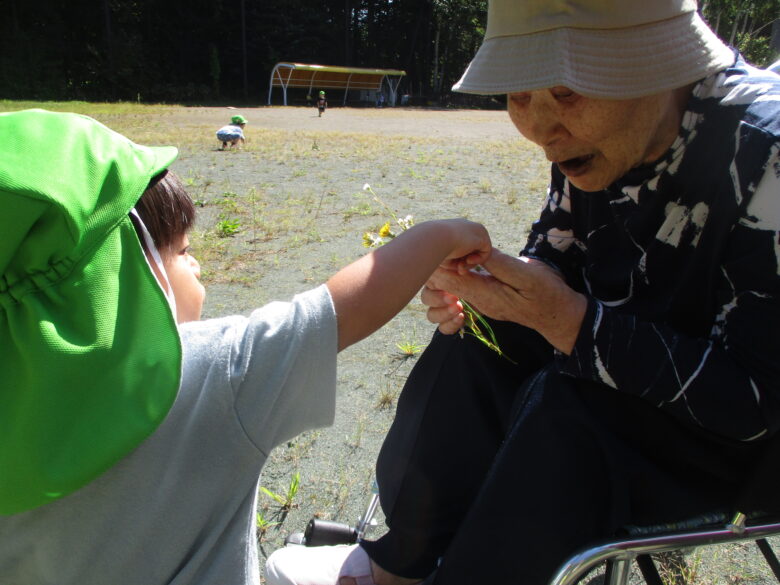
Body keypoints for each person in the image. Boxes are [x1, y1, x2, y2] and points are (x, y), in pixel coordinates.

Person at [264, 1, 780, 584]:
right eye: (517, 95)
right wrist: (497, 291)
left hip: (740, 446)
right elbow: (555, 252)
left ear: (658, 65)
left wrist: (568, 322)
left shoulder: (767, 153)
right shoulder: (590, 138)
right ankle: (401, 564)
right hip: (627, 365)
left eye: (565, 91)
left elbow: (754, 401)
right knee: (483, 339)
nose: (540, 128)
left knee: (570, 411)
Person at [0, 109, 492, 585]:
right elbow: (338, 309)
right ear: (124, 278)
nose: (196, 267)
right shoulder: (207, 375)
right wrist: (443, 234)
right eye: (183, 252)